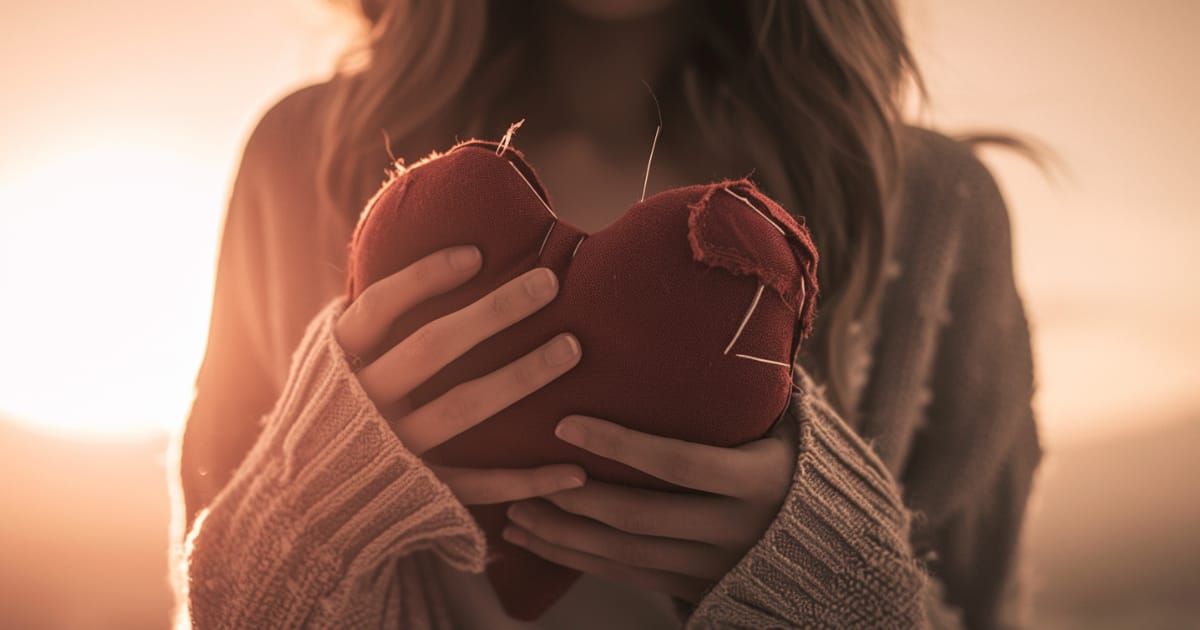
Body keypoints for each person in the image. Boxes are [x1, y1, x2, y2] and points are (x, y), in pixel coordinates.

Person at [172, 1, 1042, 627]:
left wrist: (831, 587)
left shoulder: (936, 209)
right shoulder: (303, 159)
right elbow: (217, 608)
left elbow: (981, 603)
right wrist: (314, 512)